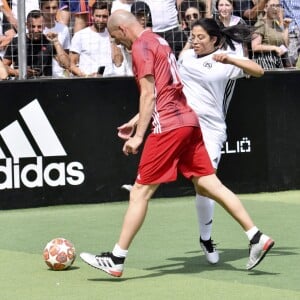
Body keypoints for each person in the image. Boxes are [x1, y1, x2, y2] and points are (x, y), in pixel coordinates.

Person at [79, 9, 274, 278]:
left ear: (123, 30)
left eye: (114, 37)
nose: (116, 42)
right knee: (209, 183)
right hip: (190, 122)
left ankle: (116, 259)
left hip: (169, 127)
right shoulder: (160, 41)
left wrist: (138, 136)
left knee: (140, 192)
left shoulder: (140, 47)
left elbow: (149, 94)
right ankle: (256, 236)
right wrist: (136, 121)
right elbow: (168, 88)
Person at [178, 17, 264, 264]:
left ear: (214, 39)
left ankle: (208, 238)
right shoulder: (185, 59)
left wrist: (231, 58)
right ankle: (214, 238)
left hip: (212, 130)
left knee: (205, 184)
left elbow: (258, 71)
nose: (195, 41)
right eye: (192, 37)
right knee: (202, 184)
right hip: (185, 129)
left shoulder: (224, 62)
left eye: (200, 37)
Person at [2, 9, 69, 78]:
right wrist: (18, 72)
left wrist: (56, 42)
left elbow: (66, 65)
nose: (36, 30)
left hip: (45, 84)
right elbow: (3, 66)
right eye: (32, 26)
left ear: (44, 26)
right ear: (27, 25)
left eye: (39, 26)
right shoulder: (17, 42)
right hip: (22, 84)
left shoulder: (48, 41)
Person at [69, 1, 124, 77]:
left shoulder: (113, 35)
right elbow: (72, 65)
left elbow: (118, 62)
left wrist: (112, 40)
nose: (101, 20)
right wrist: (86, 76)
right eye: (98, 16)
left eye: (104, 17)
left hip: (108, 81)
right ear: (92, 16)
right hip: (87, 81)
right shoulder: (80, 35)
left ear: (109, 17)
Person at [251, 0, 292, 69]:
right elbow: (255, 47)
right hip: (264, 64)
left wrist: (286, 27)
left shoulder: (276, 25)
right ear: (265, 8)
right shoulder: (260, 24)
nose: (275, 9)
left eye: (278, 6)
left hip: (277, 63)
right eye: (272, 5)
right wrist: (274, 48)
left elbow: (286, 44)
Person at [40, 0, 71, 78]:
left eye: (54, 8)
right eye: (47, 8)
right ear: (41, 8)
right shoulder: (34, 29)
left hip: (59, 76)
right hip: (40, 75)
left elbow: (66, 56)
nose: (51, 12)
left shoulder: (64, 29)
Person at [280, 0, 300, 66]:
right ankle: (290, 76)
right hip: (290, 29)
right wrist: (282, 27)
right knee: (290, 62)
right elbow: (280, 9)